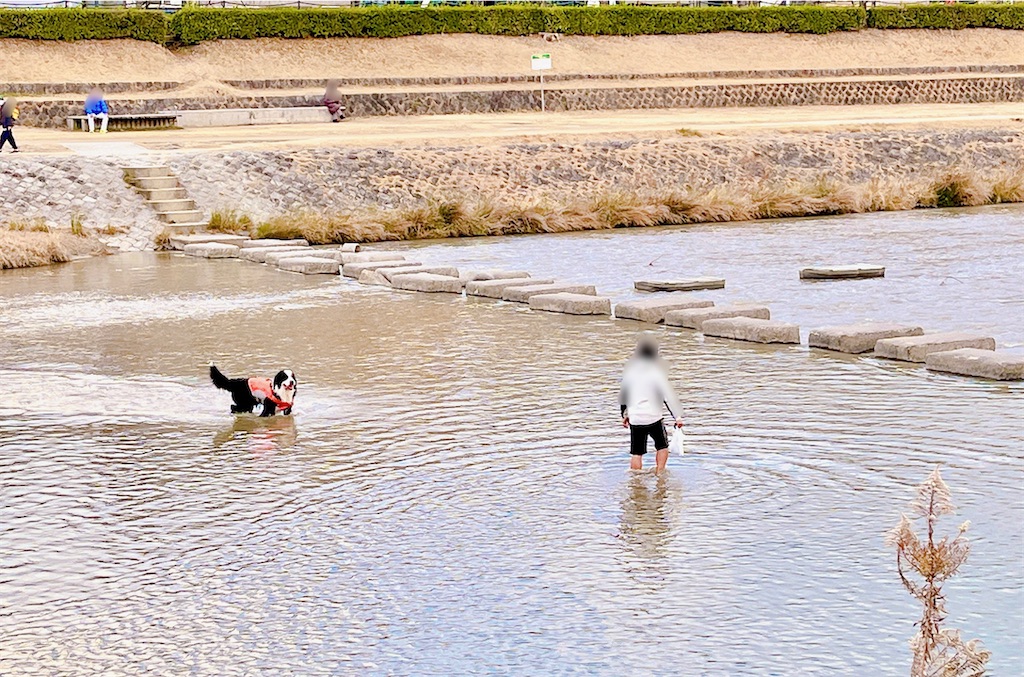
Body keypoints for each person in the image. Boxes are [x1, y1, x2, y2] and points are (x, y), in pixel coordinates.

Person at [619, 336, 684, 474]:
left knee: (637, 452)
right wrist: (677, 416)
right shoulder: (656, 373)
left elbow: (624, 395)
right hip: (653, 416)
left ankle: (636, 479)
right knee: (662, 446)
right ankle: (660, 474)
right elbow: (668, 396)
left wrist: (625, 414)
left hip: (636, 417)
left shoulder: (630, 373)